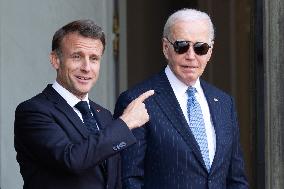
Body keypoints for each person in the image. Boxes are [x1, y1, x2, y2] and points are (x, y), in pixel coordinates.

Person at [114, 8, 249, 189]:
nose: (191, 56)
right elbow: (129, 179)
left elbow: (236, 179)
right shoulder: (138, 100)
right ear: (166, 47)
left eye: (200, 48)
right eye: (182, 46)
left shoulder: (224, 103)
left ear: (210, 51)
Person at [14, 19, 154, 189]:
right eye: (77, 56)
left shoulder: (104, 115)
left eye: (94, 58)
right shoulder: (33, 111)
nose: (87, 67)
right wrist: (125, 123)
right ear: (55, 60)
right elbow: (71, 160)